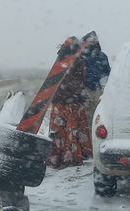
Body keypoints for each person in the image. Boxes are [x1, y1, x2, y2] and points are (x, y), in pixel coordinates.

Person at [47, 39, 92, 168]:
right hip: (73, 102)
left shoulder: (59, 61)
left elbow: (54, 82)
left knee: (58, 131)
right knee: (73, 130)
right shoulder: (79, 61)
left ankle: (57, 157)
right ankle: (73, 156)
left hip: (58, 102)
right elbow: (81, 81)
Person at [81, 31, 111, 127]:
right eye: (90, 40)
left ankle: (91, 132)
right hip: (85, 90)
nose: (92, 42)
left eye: (93, 40)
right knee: (85, 115)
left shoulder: (102, 56)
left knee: (96, 114)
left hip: (97, 90)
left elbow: (107, 74)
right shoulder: (82, 56)